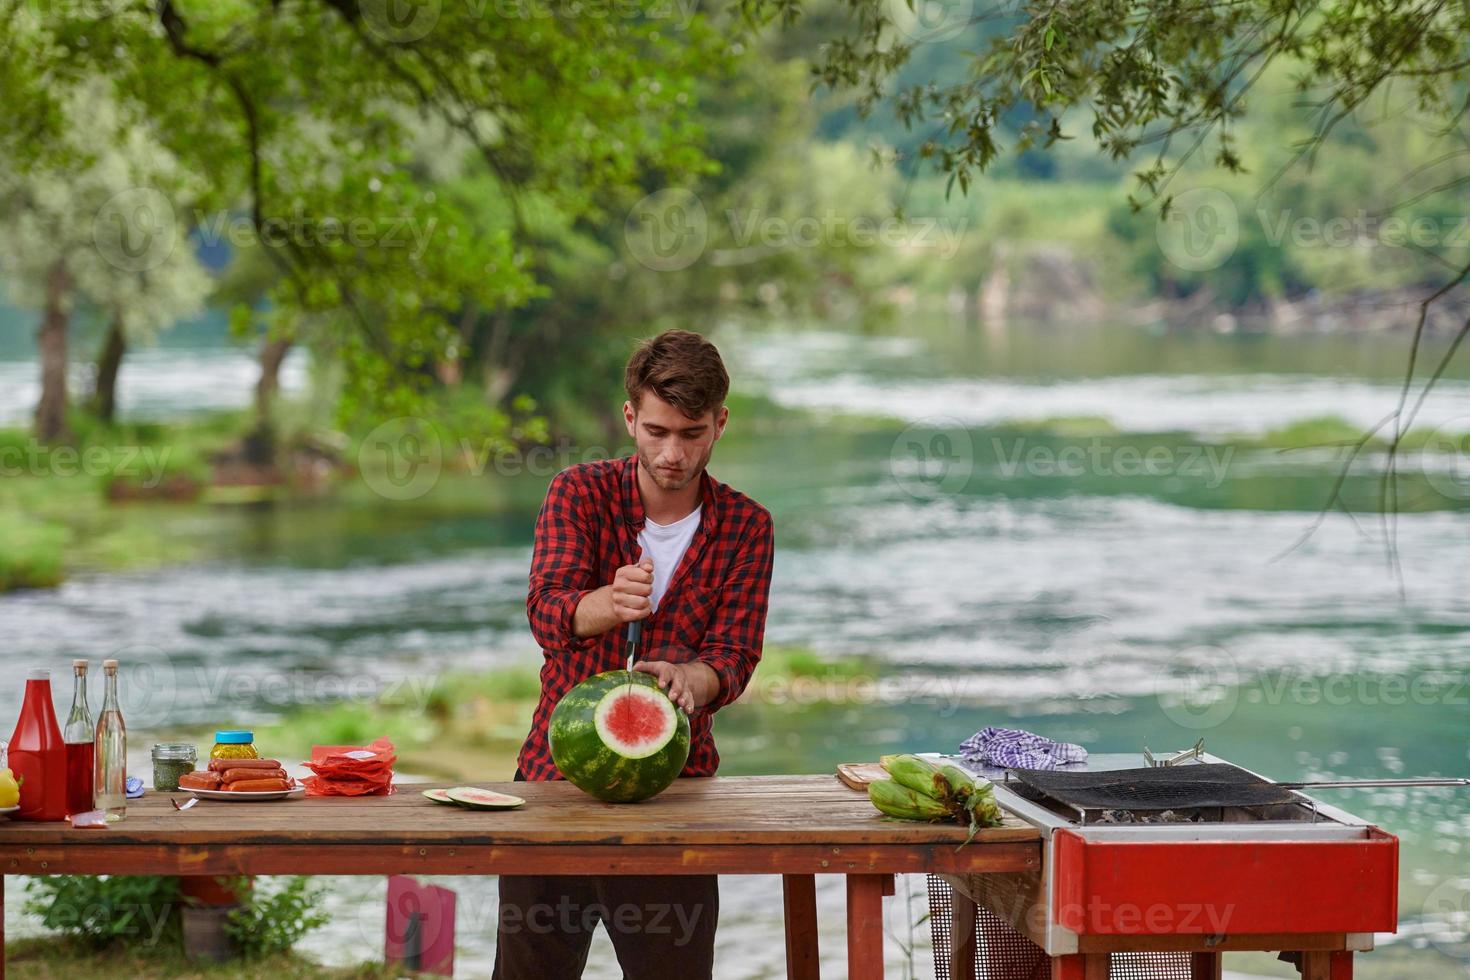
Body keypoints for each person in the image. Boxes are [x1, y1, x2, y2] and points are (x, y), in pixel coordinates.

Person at [494, 329, 775, 979]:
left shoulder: (747, 525)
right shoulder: (578, 493)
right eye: (656, 431)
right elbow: (546, 612)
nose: (672, 452)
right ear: (629, 418)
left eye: (691, 433)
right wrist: (604, 602)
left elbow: (734, 656)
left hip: (678, 796)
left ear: (720, 423)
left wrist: (691, 680)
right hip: (551, 784)